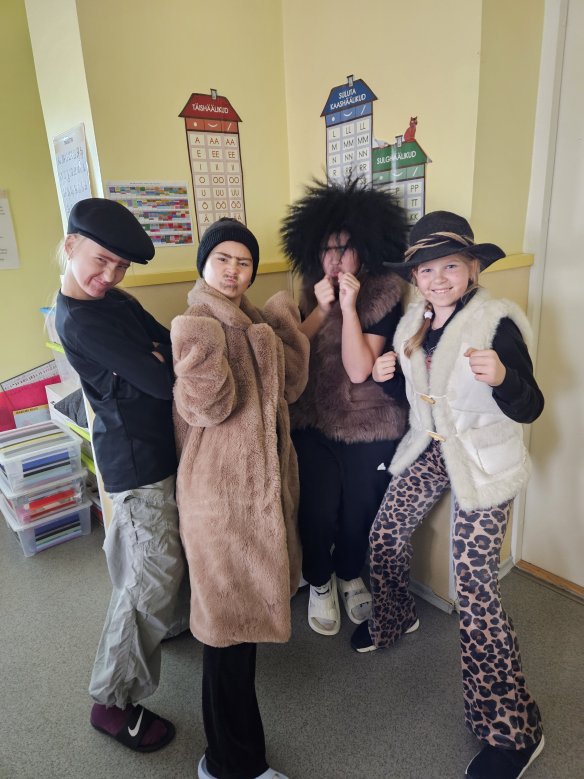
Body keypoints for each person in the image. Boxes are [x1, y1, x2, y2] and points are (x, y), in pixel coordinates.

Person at [351, 211, 545, 779]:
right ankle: (395, 617)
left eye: (450, 267)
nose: (438, 279)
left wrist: (503, 378)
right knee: (385, 531)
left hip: (484, 459)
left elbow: (531, 406)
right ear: (415, 276)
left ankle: (515, 731)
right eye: (427, 270)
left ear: (472, 269)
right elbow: (420, 395)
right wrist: (388, 375)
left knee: (474, 586)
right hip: (431, 446)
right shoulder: (414, 321)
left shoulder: (496, 322)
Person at [171, 217, 309, 779]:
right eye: (222, 259)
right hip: (219, 501)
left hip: (255, 499)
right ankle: (231, 764)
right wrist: (207, 343)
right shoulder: (199, 324)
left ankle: (228, 758)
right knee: (225, 638)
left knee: (237, 637)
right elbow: (210, 408)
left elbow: (292, 389)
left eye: (243, 261)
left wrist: (280, 325)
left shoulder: (252, 320)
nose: (233, 270)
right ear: (204, 264)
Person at [55, 198, 188, 752]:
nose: (109, 275)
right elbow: (162, 381)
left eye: (121, 266)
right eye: (101, 260)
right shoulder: (79, 319)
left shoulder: (114, 301)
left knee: (145, 558)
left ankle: (165, 627)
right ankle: (111, 702)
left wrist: (156, 356)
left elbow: (169, 343)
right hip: (135, 462)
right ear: (70, 246)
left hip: (155, 448)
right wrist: (153, 361)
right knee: (148, 576)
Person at [280, 178, 408, 636]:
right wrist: (320, 309)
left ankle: (350, 573)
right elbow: (292, 353)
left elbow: (358, 371)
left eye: (344, 249)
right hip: (314, 419)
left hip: (368, 422)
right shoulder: (310, 292)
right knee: (316, 508)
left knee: (359, 508)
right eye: (326, 249)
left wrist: (350, 309)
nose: (334, 260)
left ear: (365, 251)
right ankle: (319, 579)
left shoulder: (384, 293)